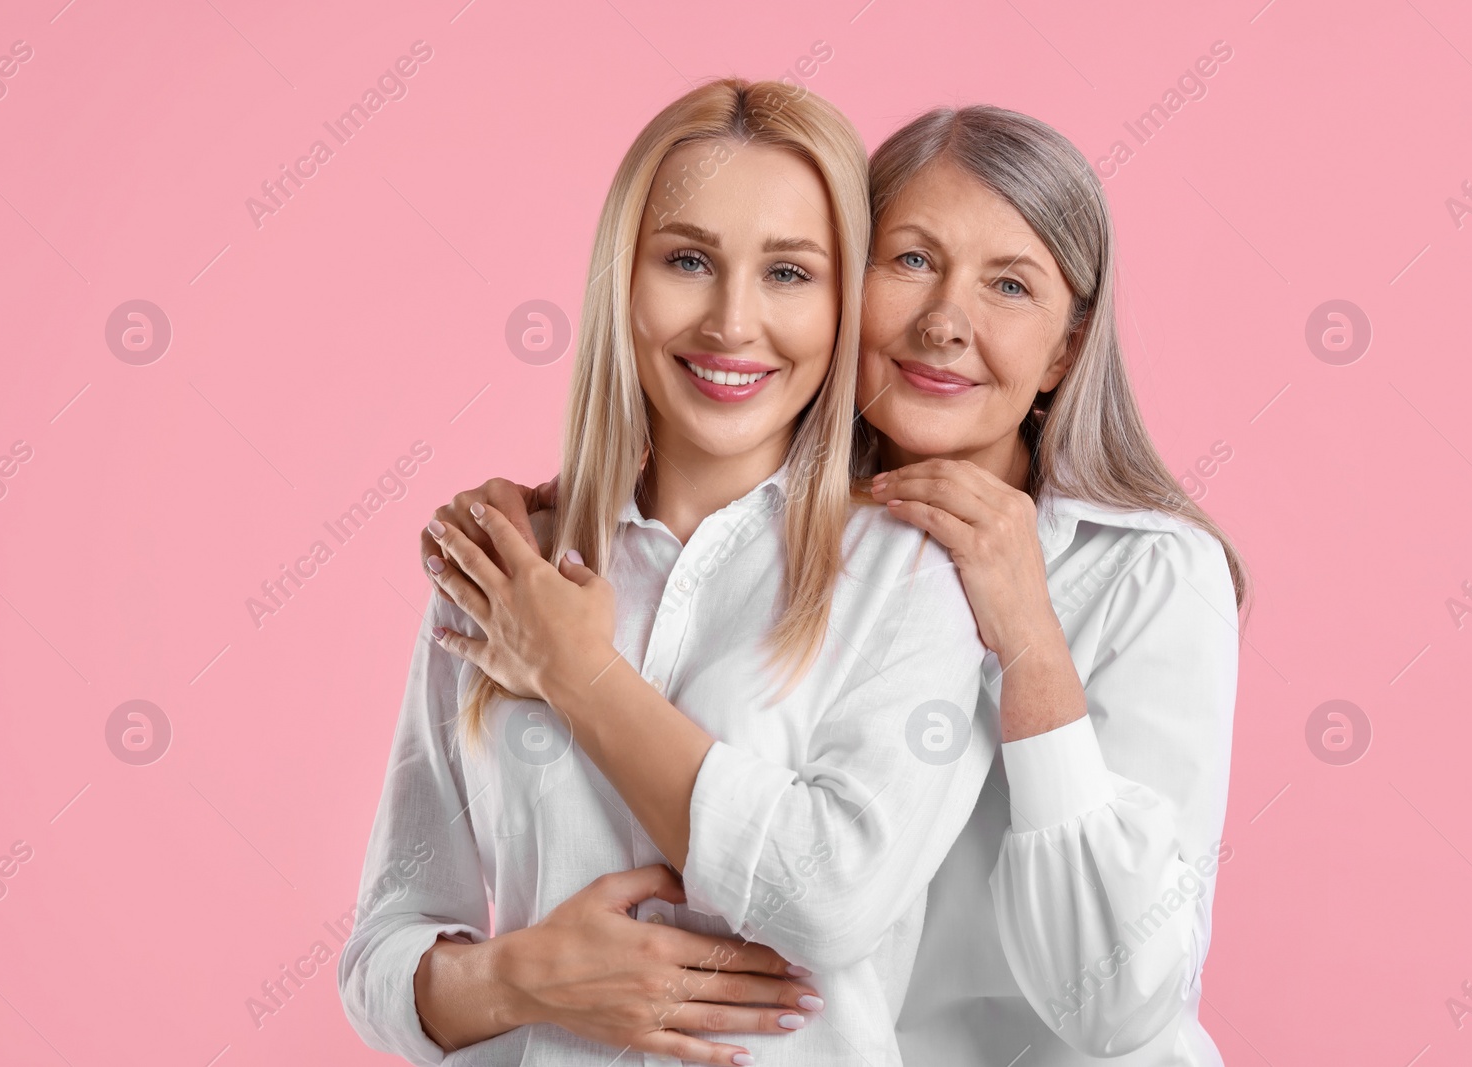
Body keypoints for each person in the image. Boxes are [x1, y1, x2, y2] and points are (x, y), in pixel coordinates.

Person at [418, 103, 1245, 1066]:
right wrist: (551, 519)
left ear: (1067, 346)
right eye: (911, 261)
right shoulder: (767, 549)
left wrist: (1029, 640)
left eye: (1011, 284)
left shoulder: (1148, 573)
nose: (945, 322)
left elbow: (1118, 1003)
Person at [339, 79, 997, 1067]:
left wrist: (577, 672)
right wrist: (520, 976)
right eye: (687, 259)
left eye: (788, 273)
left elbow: (825, 900)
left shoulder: (909, 579)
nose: (732, 323)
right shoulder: (505, 561)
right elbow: (381, 958)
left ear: (845, 301)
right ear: (623, 277)